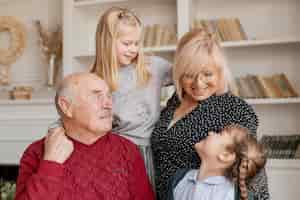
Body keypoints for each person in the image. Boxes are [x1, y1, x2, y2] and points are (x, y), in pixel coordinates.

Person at [151, 29, 269, 200]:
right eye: (190, 75)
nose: (198, 83)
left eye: (207, 74)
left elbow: (254, 179)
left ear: (220, 71)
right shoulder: (175, 102)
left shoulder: (234, 109)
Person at [15, 73, 155, 200]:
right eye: (97, 96)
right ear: (66, 107)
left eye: (109, 96)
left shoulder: (127, 149)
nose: (108, 104)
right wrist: (51, 163)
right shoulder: (36, 153)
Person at [167, 124, 266, 200]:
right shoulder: (179, 179)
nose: (210, 132)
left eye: (219, 133)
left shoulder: (227, 194)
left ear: (225, 155)